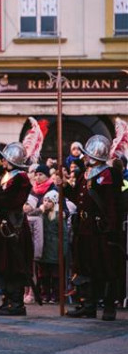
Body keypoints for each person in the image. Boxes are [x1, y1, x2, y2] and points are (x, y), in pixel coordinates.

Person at [63, 135, 122, 321]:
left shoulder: (108, 174)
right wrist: (64, 187)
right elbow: (78, 198)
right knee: (85, 267)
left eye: (88, 154)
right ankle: (87, 305)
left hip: (100, 229)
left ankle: (109, 306)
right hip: (84, 228)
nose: (85, 157)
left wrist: (111, 230)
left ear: (96, 156)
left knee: (105, 267)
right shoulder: (85, 173)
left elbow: (113, 204)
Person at [0, 142, 33, 316]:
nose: (2, 161)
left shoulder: (21, 178)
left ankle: (16, 303)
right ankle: (7, 299)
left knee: (15, 264)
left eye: (5, 158)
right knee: (4, 264)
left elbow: (11, 202)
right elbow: (0, 198)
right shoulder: (6, 176)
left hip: (14, 227)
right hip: (2, 227)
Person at [37, 191, 66, 304]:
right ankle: (45, 294)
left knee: (55, 274)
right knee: (43, 274)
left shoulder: (58, 215)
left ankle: (56, 295)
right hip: (43, 247)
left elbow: (64, 234)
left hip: (54, 248)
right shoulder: (41, 214)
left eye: (49, 201)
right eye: (45, 200)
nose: (46, 203)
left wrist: (63, 250)